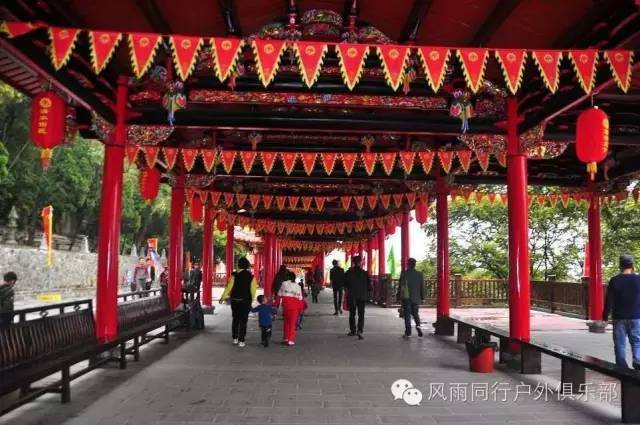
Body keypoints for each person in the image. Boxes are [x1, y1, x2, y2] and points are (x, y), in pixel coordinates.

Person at [603, 254, 640, 369]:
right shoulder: (638, 279)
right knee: (637, 341)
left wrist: (605, 316)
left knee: (620, 344)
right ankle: (637, 361)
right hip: (635, 315)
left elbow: (609, 300)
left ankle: (622, 367)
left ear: (620, 265)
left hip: (619, 317)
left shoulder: (614, 280)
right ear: (632, 265)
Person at [220, 257, 257, 348]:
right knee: (243, 321)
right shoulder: (251, 277)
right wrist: (251, 299)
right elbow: (253, 290)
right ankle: (241, 340)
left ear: (238, 265)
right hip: (245, 301)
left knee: (235, 319)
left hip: (235, 301)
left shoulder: (233, 275)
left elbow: (228, 288)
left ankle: (235, 338)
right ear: (247, 265)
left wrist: (222, 297)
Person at [344, 255, 371, 340]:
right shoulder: (365, 273)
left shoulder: (348, 272)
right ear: (360, 262)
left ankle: (353, 330)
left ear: (353, 262)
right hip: (362, 296)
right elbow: (369, 287)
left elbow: (345, 284)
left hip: (352, 295)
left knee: (352, 313)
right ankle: (360, 331)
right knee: (361, 314)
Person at [397, 258, 425, 338]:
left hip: (406, 297)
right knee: (416, 314)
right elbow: (422, 287)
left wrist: (398, 297)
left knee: (407, 315)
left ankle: (408, 332)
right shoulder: (420, 274)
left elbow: (400, 286)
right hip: (416, 298)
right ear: (415, 265)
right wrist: (422, 298)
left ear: (408, 264)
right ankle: (418, 327)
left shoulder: (404, 273)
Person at [278, 273, 304, 346]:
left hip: (286, 306)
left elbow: (279, 294)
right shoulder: (298, 286)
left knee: (286, 322)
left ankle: (285, 338)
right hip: (294, 307)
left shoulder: (283, 284)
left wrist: (276, 305)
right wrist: (301, 309)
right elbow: (300, 298)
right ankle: (291, 340)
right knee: (292, 323)